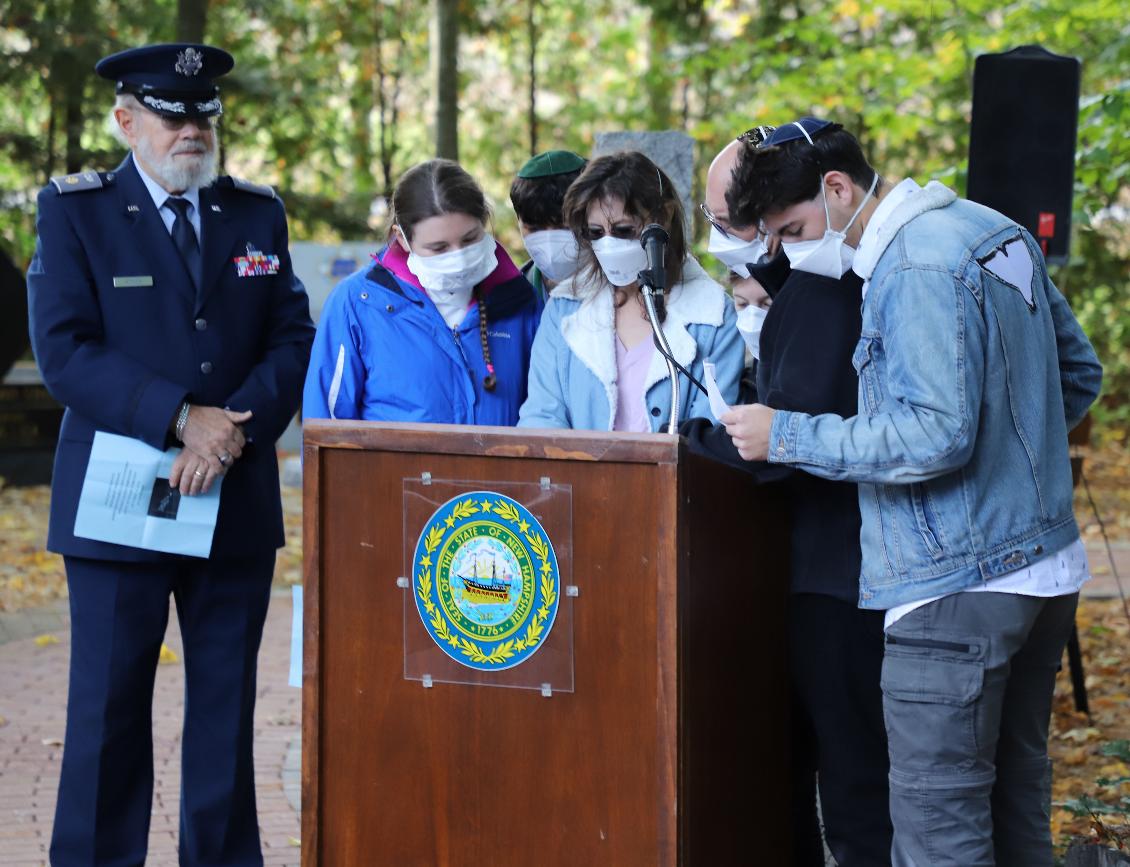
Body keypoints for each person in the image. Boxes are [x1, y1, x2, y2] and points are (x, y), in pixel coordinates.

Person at [722, 116, 1103, 866]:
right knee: (1014, 805)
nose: (789, 251)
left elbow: (934, 434)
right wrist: (1012, 475)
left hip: (954, 591)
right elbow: (1076, 374)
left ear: (838, 188)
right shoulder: (991, 229)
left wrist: (786, 434)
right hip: (1045, 576)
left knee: (938, 831)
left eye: (794, 229)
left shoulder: (912, 266)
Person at [26, 43, 314, 866]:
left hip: (234, 497)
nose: (192, 128)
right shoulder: (75, 211)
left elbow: (291, 337)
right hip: (119, 506)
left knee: (225, 707)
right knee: (109, 709)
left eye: (204, 113)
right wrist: (182, 416)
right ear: (126, 120)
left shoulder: (256, 213)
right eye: (171, 113)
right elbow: (65, 351)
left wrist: (231, 431)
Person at [689, 130, 894, 866]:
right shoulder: (812, 286)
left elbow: (788, 440)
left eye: (741, 220)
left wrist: (690, 446)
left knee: (854, 784)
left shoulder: (826, 291)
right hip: (832, 569)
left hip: (837, 576)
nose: (733, 236)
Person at [518, 150, 744, 432]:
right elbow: (541, 417)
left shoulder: (715, 318)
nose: (608, 244)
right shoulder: (564, 308)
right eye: (595, 233)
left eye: (624, 230)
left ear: (664, 216)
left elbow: (710, 435)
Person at [303, 159, 541, 424]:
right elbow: (325, 430)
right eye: (438, 248)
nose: (459, 258)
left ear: (484, 221)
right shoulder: (357, 305)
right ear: (402, 238)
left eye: (469, 239)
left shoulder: (520, 300)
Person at [509, 149, 587, 302]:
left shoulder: (628, 291)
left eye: (564, 227)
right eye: (535, 229)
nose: (550, 241)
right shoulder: (511, 299)